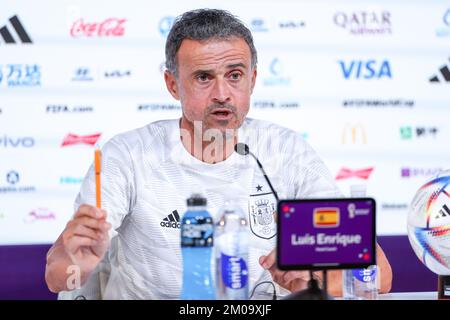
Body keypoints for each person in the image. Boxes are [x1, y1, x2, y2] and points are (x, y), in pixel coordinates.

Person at [45, 9, 392, 299]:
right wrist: (80, 263)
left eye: (235, 75)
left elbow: (377, 276)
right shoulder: (127, 155)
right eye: (203, 77)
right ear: (172, 84)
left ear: (253, 79)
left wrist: (314, 282)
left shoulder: (287, 152)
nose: (222, 93)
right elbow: (59, 276)